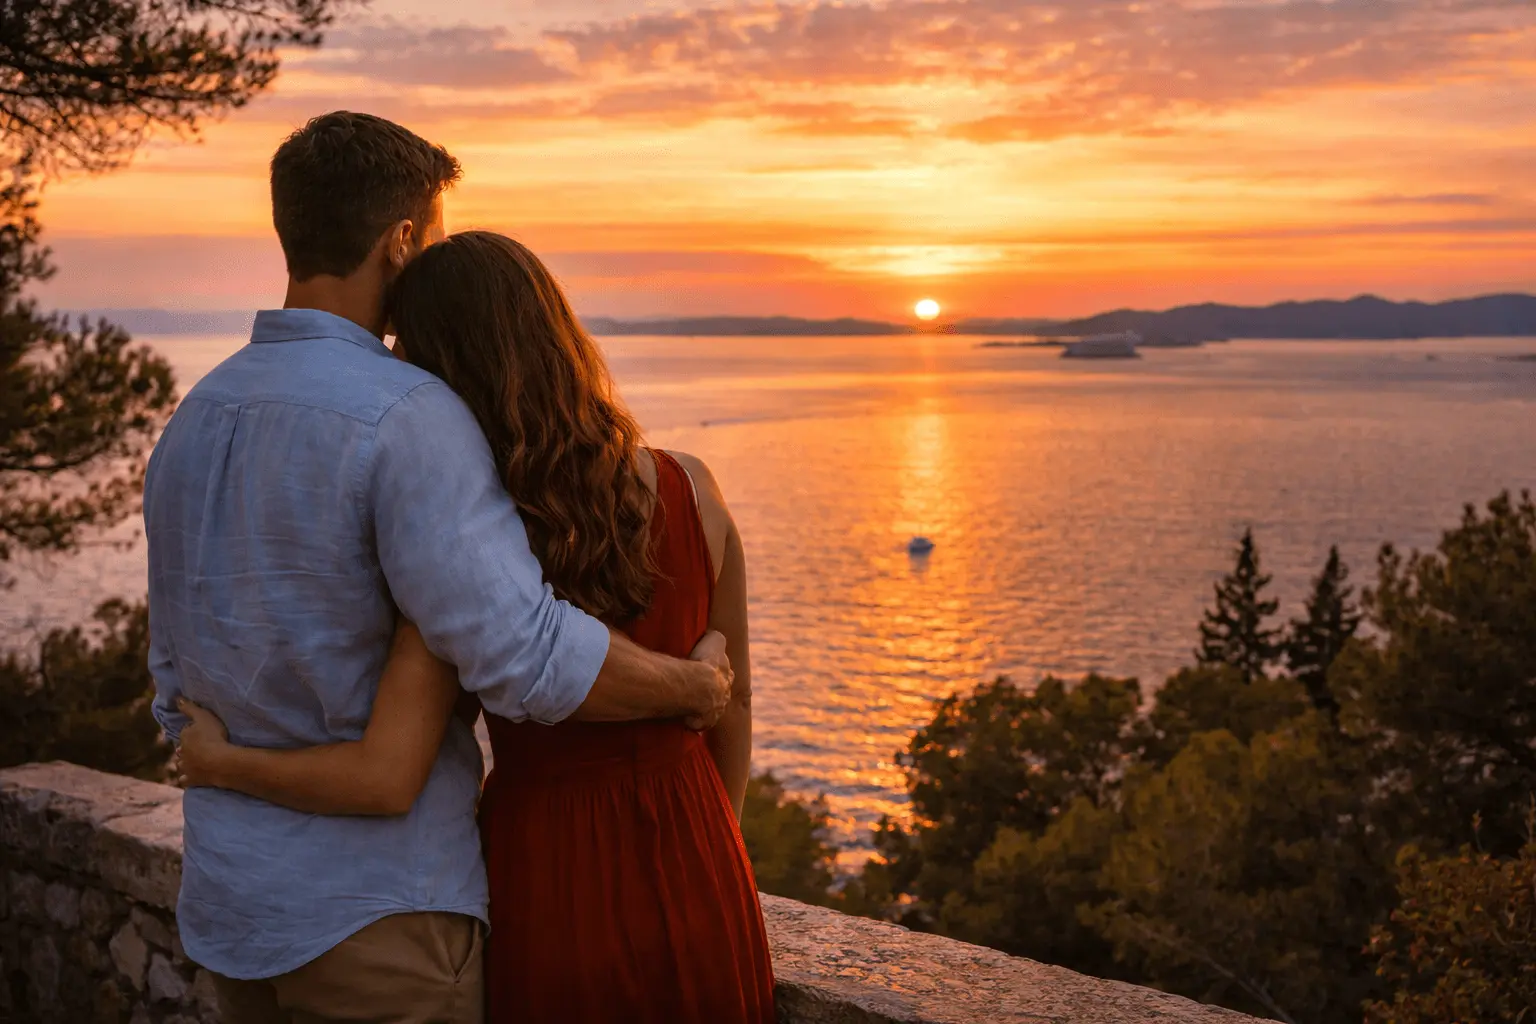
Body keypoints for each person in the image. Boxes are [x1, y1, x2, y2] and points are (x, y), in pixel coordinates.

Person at [145, 113, 734, 1024]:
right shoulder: (407, 415)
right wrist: (691, 689)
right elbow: (524, 653)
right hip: (380, 918)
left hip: (234, 909)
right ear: (402, 240)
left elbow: (172, 687)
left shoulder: (193, 419)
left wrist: (223, 765)